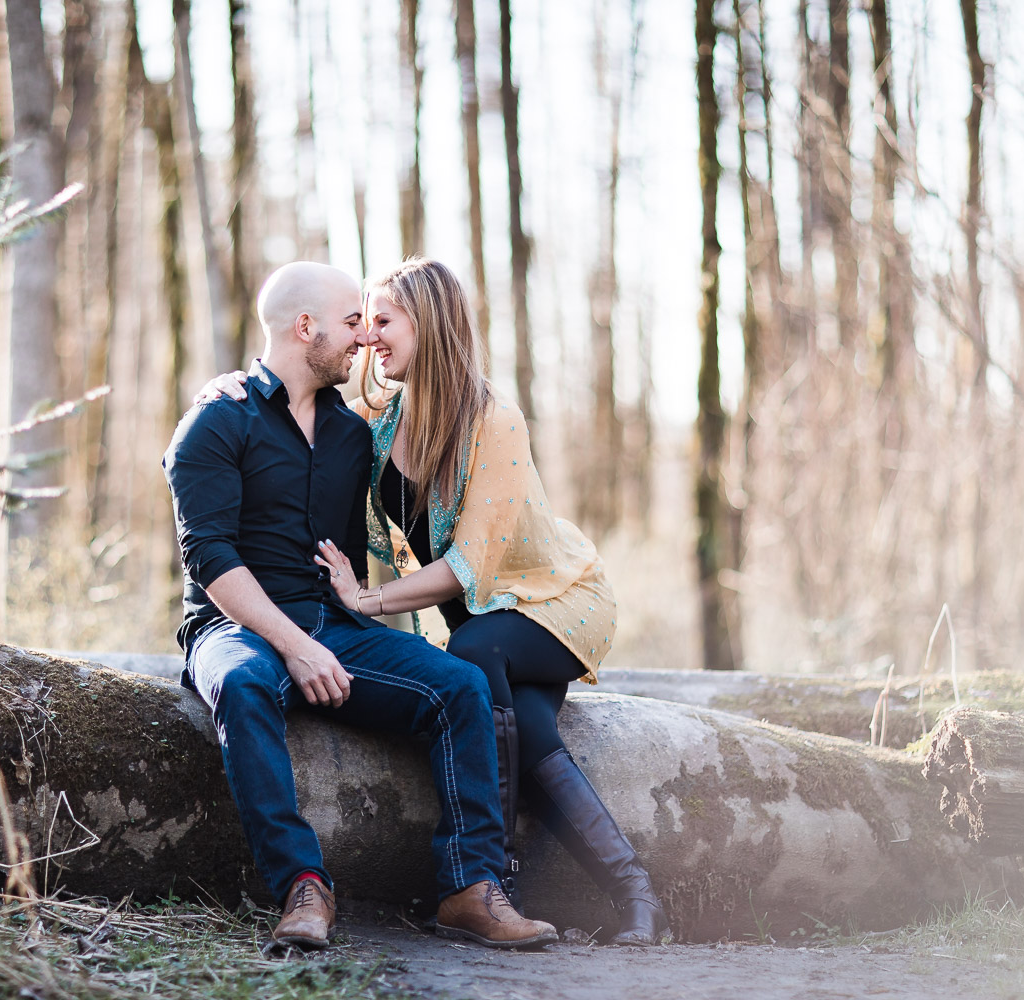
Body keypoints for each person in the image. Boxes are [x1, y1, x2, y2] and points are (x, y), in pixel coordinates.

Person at [197, 257, 671, 946]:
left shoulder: (492, 420)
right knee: (527, 728)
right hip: (481, 621)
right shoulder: (382, 420)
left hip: (550, 603)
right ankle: (630, 897)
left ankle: (491, 882)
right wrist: (236, 382)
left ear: (430, 325)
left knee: (474, 656)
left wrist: (369, 601)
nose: (368, 338)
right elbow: (292, 396)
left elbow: (471, 566)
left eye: (382, 320)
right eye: (360, 322)